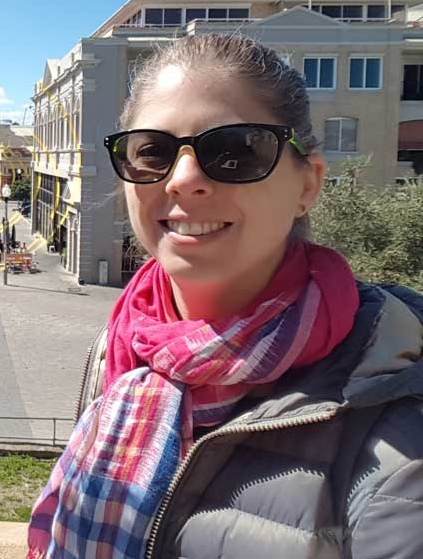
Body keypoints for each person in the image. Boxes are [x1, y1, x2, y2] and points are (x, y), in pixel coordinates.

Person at [28, 34, 423, 559]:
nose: (184, 180)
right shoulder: (123, 348)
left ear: (308, 185)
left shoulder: (396, 425)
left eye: (236, 150)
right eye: (152, 152)